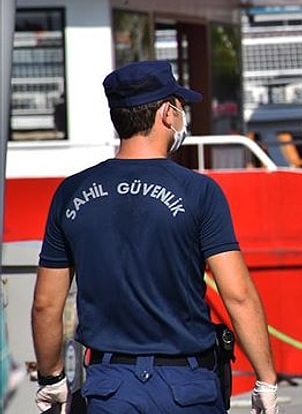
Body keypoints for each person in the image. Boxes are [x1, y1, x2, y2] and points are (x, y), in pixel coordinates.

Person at [31, 61, 280, 413]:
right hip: (188, 386)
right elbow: (237, 295)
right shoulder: (199, 192)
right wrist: (265, 378)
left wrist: (51, 379)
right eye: (180, 107)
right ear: (167, 113)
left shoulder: (71, 194)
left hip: (110, 386)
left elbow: (45, 304)